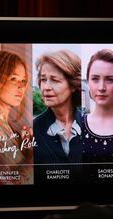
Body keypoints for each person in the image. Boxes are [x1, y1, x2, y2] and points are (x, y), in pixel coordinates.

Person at [0, 50, 33, 185]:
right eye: (13, 79)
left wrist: (26, 150)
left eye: (23, 80)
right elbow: (9, 183)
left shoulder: (4, 124)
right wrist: (34, 158)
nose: (21, 86)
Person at [33, 50, 82, 180]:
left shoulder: (91, 127)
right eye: (43, 79)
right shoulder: (32, 130)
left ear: (73, 85)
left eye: (54, 80)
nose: (46, 87)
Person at [82, 49, 113, 181]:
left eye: (109, 79)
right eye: (95, 79)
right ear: (88, 82)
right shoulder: (76, 125)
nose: (101, 87)